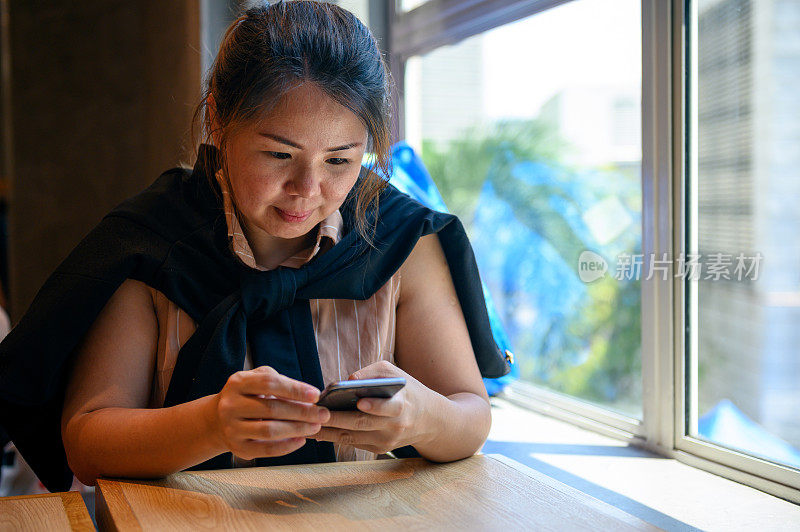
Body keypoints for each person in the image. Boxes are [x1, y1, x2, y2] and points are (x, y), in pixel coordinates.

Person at [0, 0, 509, 492]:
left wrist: (421, 419)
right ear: (218, 122)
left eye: (339, 161)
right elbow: (87, 444)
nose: (307, 189)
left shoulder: (400, 240)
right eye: (278, 153)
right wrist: (211, 425)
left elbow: (470, 414)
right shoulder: (153, 241)